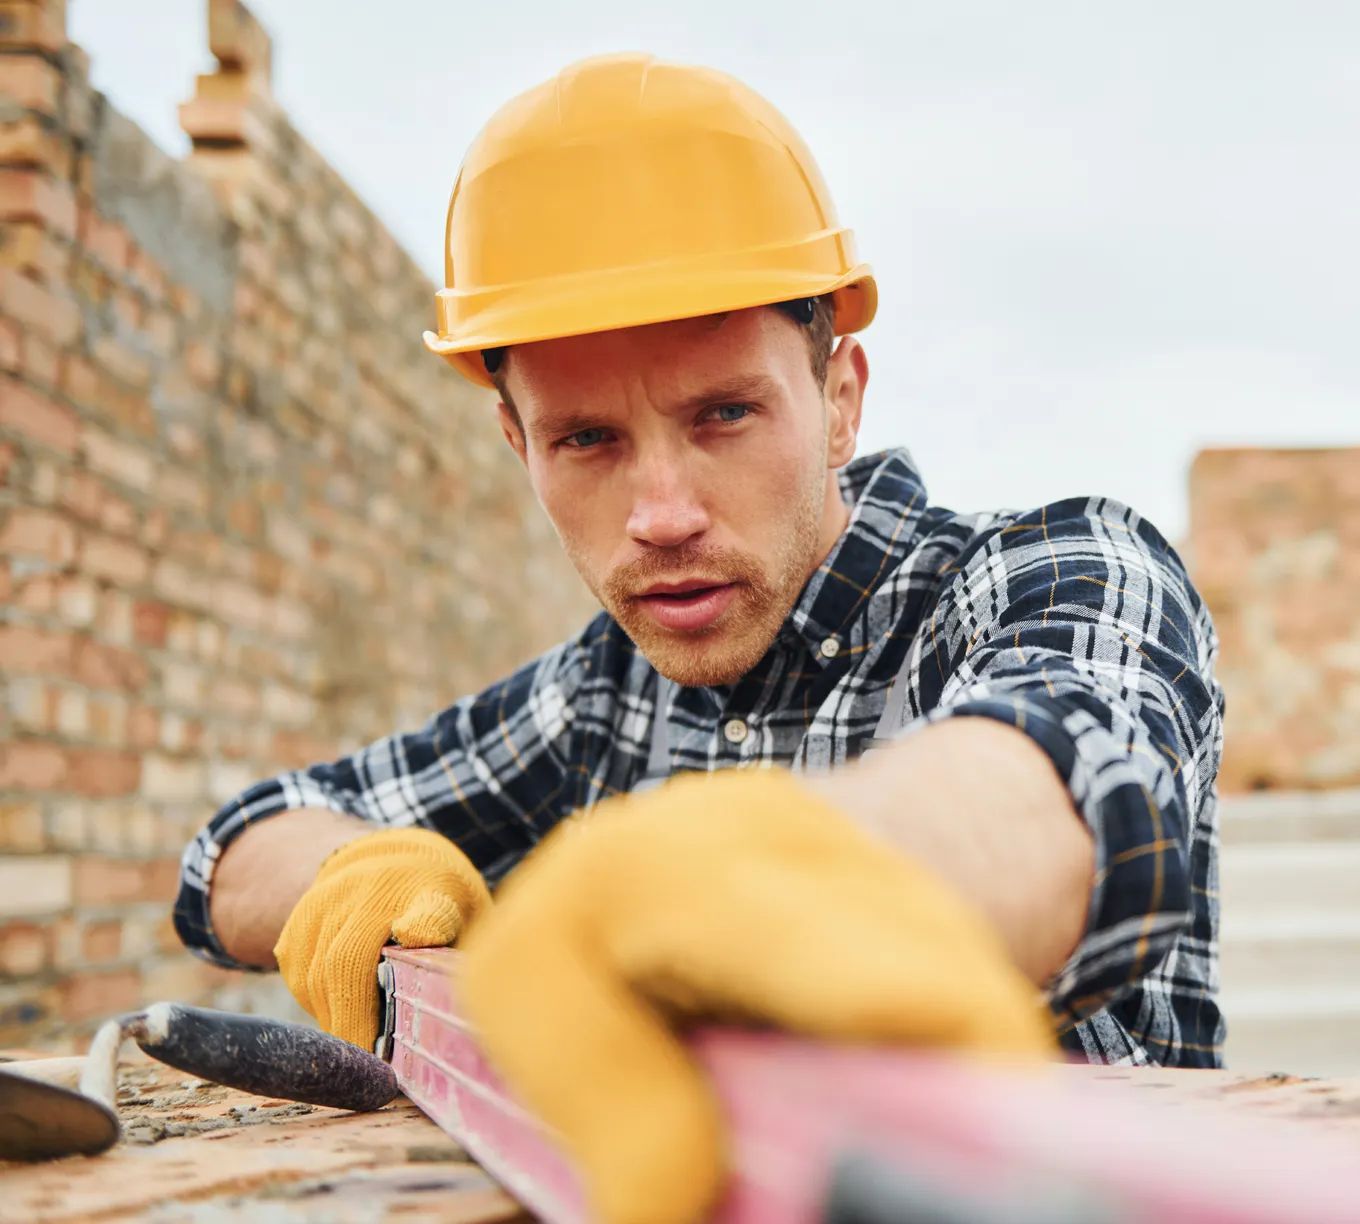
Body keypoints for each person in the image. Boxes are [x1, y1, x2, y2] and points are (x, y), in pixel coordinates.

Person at [171, 52, 1225, 1224]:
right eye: (587, 441)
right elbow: (229, 850)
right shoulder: (601, 694)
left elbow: (1063, 786)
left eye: (723, 414)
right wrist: (351, 872)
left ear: (840, 398)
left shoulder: (1064, 570)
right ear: (518, 446)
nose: (661, 514)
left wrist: (784, 877)